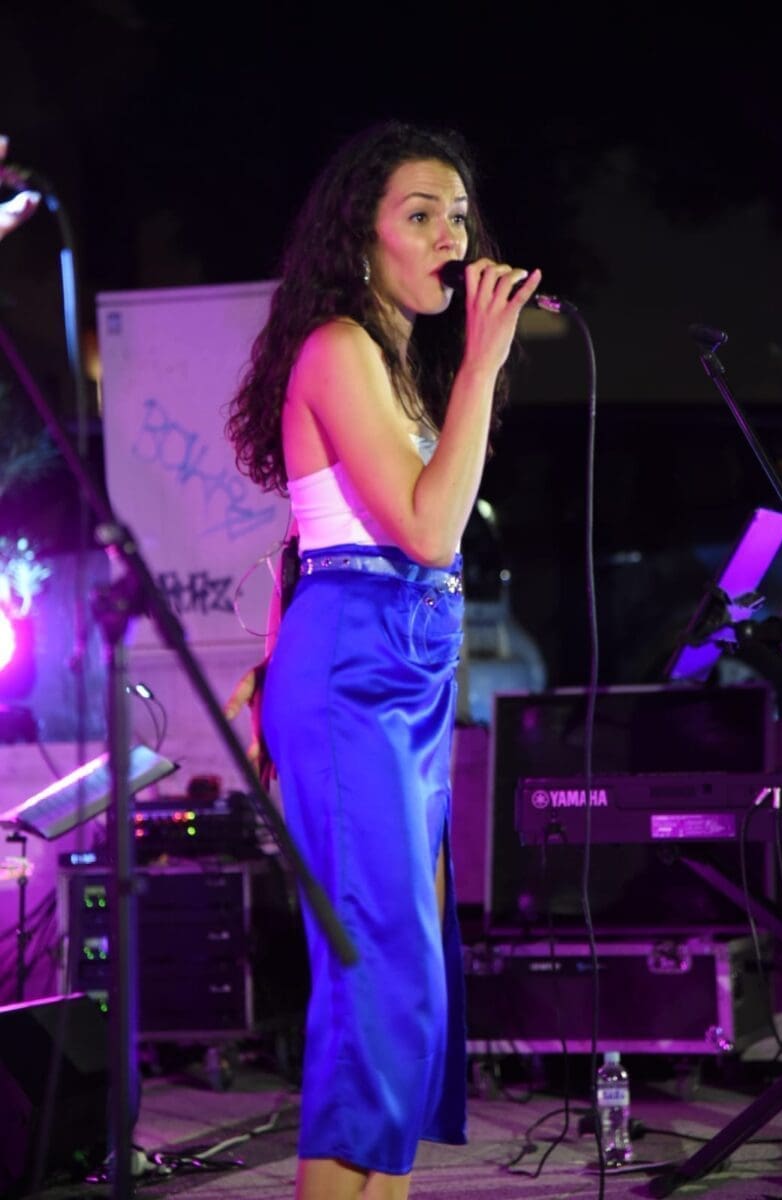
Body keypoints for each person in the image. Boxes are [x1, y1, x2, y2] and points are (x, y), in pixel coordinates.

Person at [226, 120, 541, 1200]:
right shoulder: (337, 346)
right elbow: (427, 531)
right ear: (359, 237)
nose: (451, 234)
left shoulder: (394, 364)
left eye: (458, 213)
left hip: (397, 675)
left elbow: (319, 536)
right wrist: (485, 363)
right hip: (357, 675)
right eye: (420, 214)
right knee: (377, 978)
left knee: (412, 982)